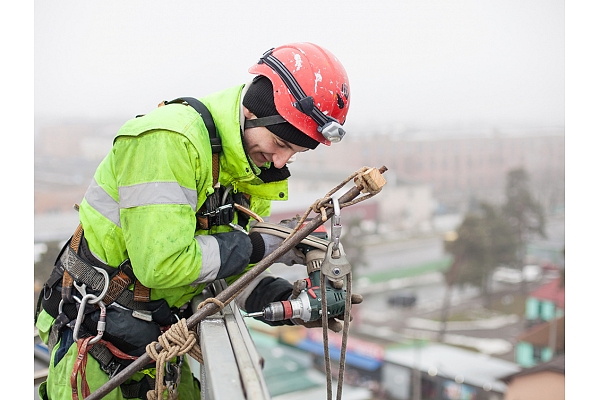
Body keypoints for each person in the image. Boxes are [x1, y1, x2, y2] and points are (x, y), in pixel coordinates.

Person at [35, 42, 362, 400]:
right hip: (98, 353)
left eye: (294, 153)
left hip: (158, 349)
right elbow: (162, 265)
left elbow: (222, 275)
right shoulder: (169, 142)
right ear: (255, 111)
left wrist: (289, 302)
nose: (281, 161)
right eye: (280, 142)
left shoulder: (250, 169)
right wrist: (259, 246)